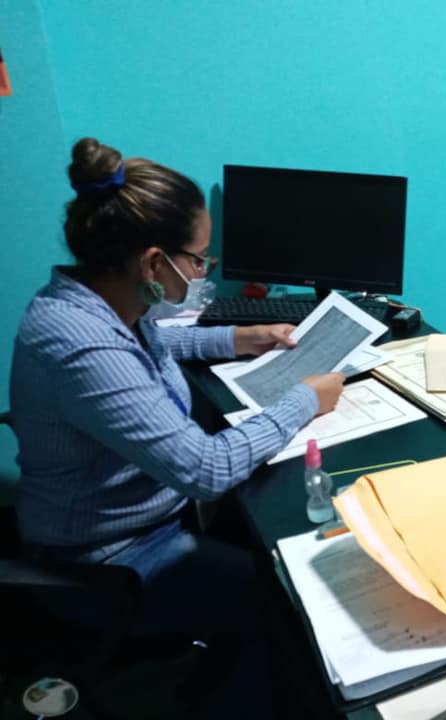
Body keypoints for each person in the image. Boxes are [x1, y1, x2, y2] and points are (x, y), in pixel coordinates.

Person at [9, 137, 346, 717]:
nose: (202, 271)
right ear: (152, 264)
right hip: (106, 562)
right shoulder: (79, 343)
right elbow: (205, 470)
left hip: (144, 522)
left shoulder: (97, 301)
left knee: (265, 536)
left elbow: (155, 343)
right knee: (285, 599)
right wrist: (303, 400)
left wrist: (241, 337)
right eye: (198, 260)